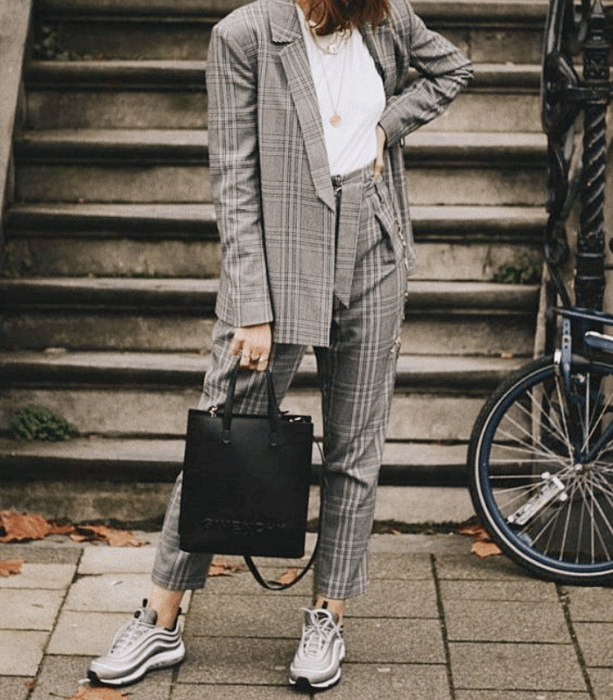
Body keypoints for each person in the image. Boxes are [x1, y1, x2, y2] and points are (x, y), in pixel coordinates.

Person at [87, 0, 473, 690]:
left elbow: (451, 70)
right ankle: (160, 618)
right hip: (279, 265)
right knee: (224, 433)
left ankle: (327, 614)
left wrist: (388, 124)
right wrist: (250, 308)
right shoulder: (243, 35)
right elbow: (232, 181)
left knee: (357, 445)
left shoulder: (385, 17)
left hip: (373, 247)